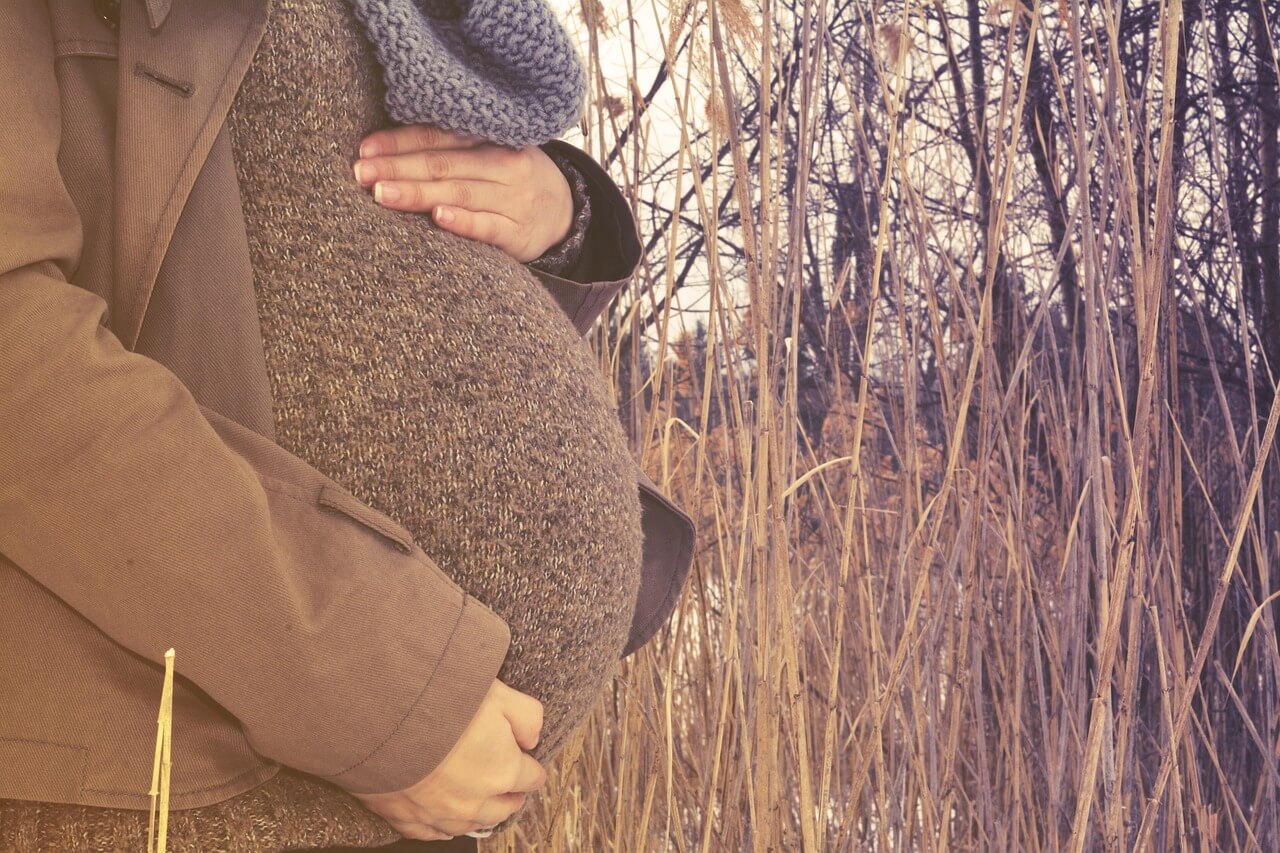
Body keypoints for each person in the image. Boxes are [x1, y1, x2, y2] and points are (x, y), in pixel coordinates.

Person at [0, 0, 696, 850]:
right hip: (182, 754)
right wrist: (384, 687)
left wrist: (556, 210)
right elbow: (18, 363)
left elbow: (309, 214)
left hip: (360, 755)